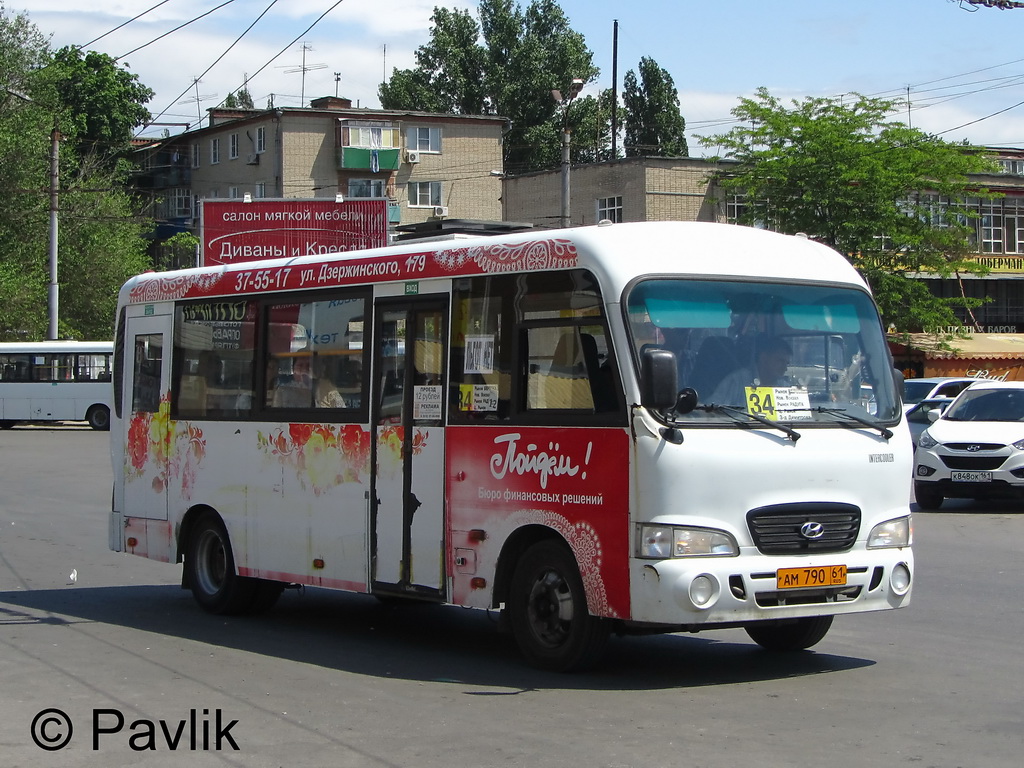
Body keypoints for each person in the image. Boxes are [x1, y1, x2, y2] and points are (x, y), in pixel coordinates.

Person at [709, 335, 793, 406]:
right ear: (763, 358)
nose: (784, 368)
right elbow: (711, 410)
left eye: (787, 363)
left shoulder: (785, 388)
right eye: (780, 361)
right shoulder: (737, 381)